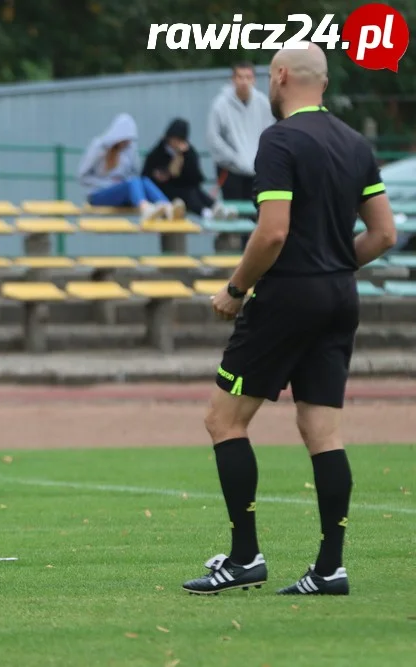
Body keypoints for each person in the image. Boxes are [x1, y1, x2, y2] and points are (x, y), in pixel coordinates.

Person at [182, 43, 397, 597]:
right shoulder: (355, 143)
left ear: (279, 77)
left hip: (287, 297)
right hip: (339, 297)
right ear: (322, 83)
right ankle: (330, 568)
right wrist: (329, 265)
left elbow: (272, 231)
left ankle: (245, 557)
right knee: (322, 430)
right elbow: (384, 235)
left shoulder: (278, 140)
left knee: (223, 420)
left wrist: (236, 289)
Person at [76, 113, 183, 221]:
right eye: (126, 139)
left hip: (122, 193)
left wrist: (122, 183)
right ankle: (145, 209)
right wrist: (110, 184)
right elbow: (82, 177)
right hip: (97, 195)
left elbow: (135, 173)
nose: (128, 143)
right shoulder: (99, 147)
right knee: (132, 182)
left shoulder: (129, 149)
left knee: (144, 181)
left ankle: (168, 207)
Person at [206, 62, 276, 203]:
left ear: (254, 80)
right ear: (233, 79)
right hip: (230, 169)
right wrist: (233, 158)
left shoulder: (263, 103)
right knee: (234, 212)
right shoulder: (220, 105)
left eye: (248, 77)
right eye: (240, 77)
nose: (244, 81)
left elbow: (270, 132)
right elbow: (213, 137)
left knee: (257, 211)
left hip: (258, 170)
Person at [142, 118, 236, 220]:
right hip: (164, 191)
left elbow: (196, 178)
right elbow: (146, 175)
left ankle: (217, 208)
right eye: (173, 139)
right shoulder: (158, 152)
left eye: (179, 140)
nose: (175, 143)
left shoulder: (189, 152)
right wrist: (161, 174)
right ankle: (205, 212)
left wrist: (184, 155)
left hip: (187, 188)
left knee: (195, 191)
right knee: (188, 193)